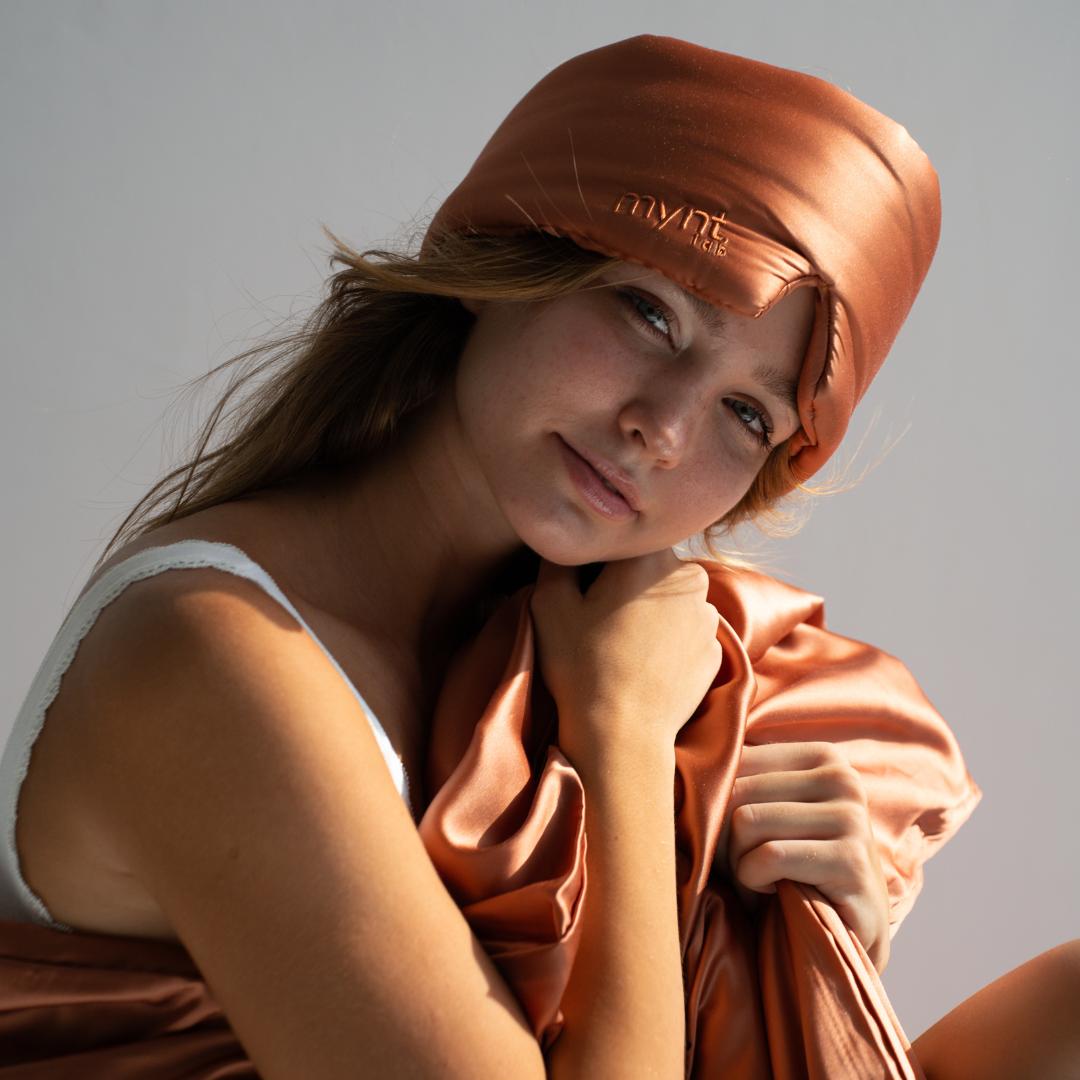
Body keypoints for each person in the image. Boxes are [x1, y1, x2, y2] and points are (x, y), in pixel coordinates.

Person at [1, 32, 1076, 1079]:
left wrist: (810, 930)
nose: (662, 427)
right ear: (500, 261)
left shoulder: (595, 643)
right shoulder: (216, 654)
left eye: (747, 414)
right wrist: (625, 744)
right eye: (649, 313)